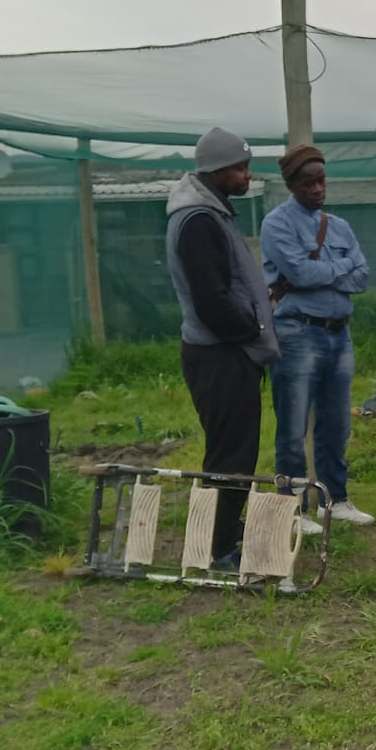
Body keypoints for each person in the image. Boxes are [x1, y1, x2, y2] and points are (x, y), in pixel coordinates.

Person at [165, 127, 279, 567]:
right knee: (230, 455)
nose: (247, 175)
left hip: (227, 351)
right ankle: (218, 549)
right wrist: (250, 328)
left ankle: (219, 540)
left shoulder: (212, 213)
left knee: (234, 451)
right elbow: (210, 299)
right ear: (215, 170)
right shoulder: (198, 221)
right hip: (219, 354)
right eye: (239, 168)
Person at [260, 144, 375, 528]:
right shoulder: (276, 224)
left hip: (339, 336)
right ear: (292, 184)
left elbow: (362, 276)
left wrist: (320, 269)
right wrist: (337, 269)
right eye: (308, 182)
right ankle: (290, 509)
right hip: (297, 335)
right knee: (293, 426)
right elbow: (301, 273)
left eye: (321, 180)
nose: (317, 188)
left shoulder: (339, 226)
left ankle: (335, 500)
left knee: (336, 423)